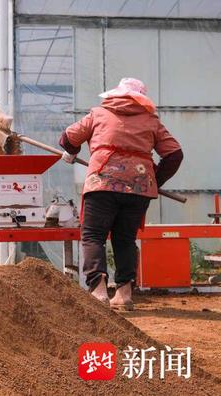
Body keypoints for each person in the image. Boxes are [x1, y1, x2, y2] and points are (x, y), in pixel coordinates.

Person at [59, 78, 183, 310]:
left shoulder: (98, 114)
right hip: (138, 187)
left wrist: (72, 151)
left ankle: (98, 291)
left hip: (102, 182)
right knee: (125, 239)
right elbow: (174, 154)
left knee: (94, 235)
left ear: (116, 95)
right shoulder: (151, 121)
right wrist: (154, 180)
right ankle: (124, 294)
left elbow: (68, 138)